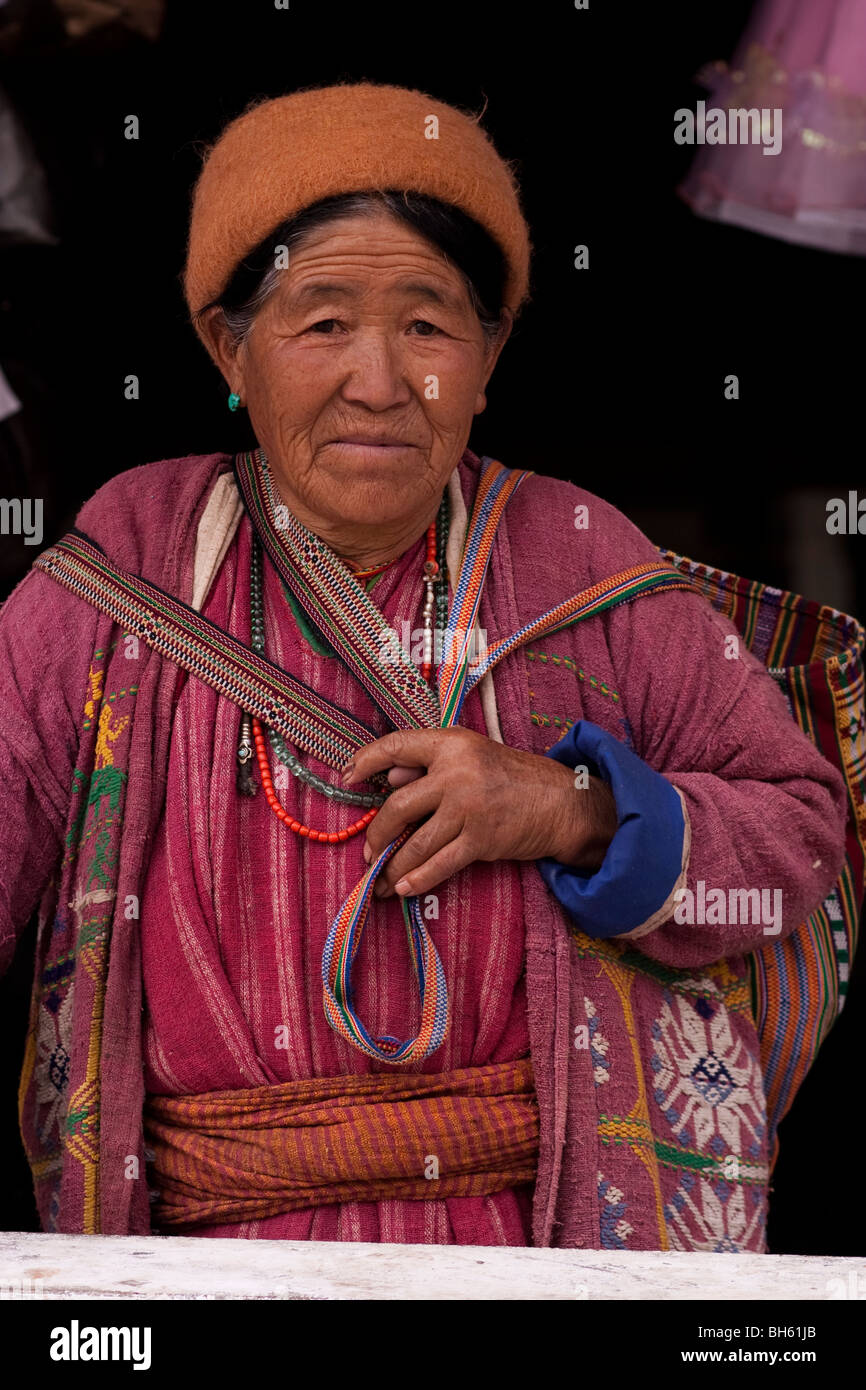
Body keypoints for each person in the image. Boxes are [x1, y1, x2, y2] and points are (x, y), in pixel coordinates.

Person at [0, 82, 846, 1251]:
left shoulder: (581, 561)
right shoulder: (124, 577)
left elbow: (801, 836)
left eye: (429, 324)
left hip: (546, 1256)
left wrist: (574, 811)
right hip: (199, 1268)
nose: (380, 381)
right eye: (322, 320)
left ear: (490, 355)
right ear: (225, 345)